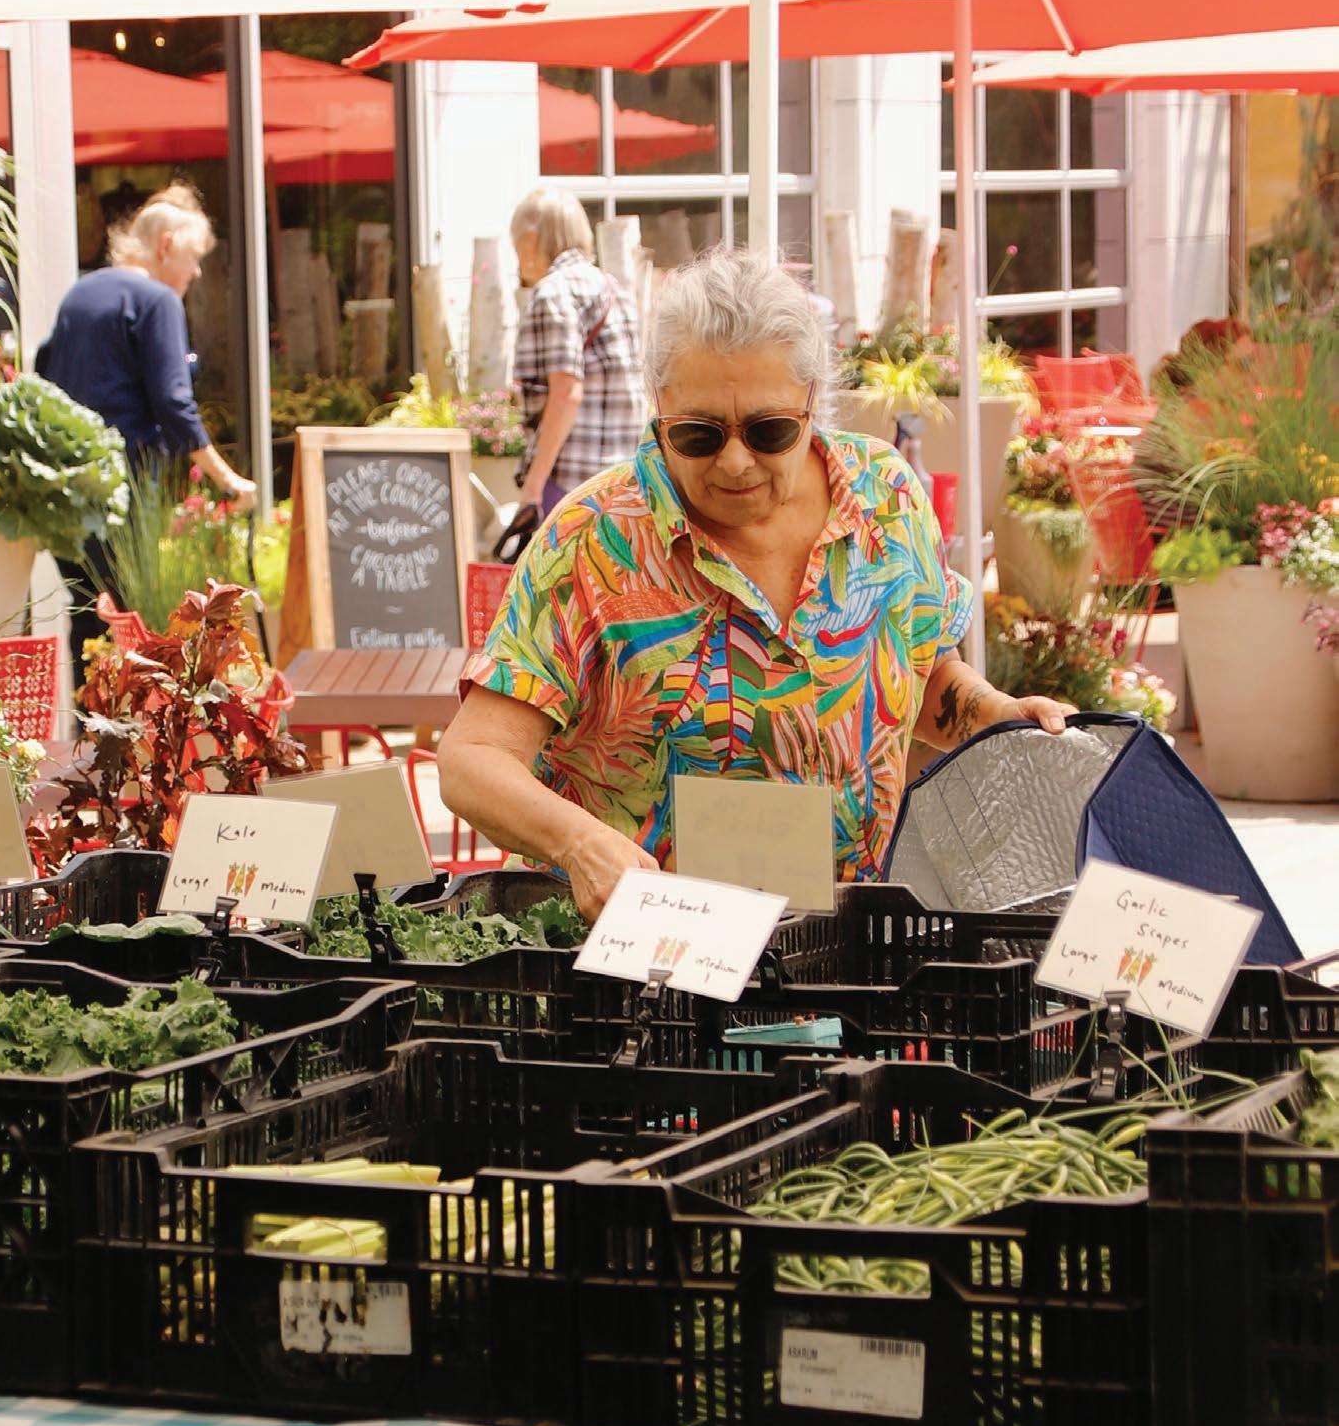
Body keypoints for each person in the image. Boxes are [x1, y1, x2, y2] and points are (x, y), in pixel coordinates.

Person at [440, 246, 1071, 921]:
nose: (736, 462)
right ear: (660, 405)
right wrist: (579, 844)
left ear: (811, 401)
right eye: (699, 434)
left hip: (848, 946)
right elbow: (471, 759)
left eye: (769, 431)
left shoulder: (885, 497)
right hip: (655, 955)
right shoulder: (592, 540)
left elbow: (917, 673)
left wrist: (988, 714)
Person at [35, 182, 255, 668]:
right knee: (129, 612)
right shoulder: (157, 301)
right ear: (166, 245)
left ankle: (87, 712)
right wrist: (228, 479)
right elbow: (175, 404)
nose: (197, 271)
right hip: (123, 488)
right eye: (194, 257)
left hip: (64, 488)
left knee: (88, 611)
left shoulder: (81, 293)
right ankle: (125, 715)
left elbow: (44, 372)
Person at [508, 187, 645, 524]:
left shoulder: (553, 292)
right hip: (623, 482)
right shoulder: (616, 289)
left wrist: (533, 487)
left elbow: (567, 392)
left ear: (531, 239)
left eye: (516, 246)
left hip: (570, 483)